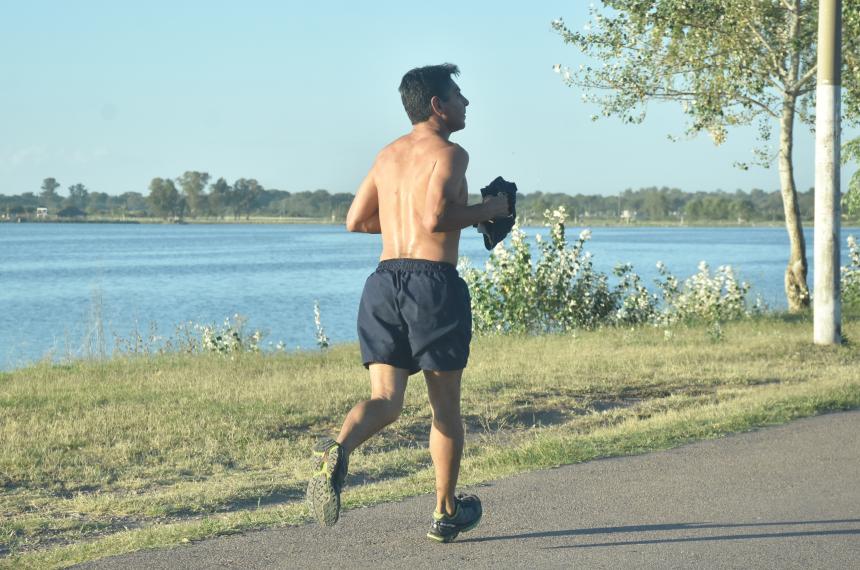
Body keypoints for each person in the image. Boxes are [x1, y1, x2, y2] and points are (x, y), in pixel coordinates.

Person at [305, 63, 510, 543]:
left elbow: (356, 221)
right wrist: (488, 212)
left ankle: (337, 450)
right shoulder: (451, 153)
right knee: (445, 409)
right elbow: (436, 217)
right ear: (438, 105)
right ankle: (444, 513)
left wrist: (411, 225)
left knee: (386, 400)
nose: (466, 102)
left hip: (383, 282)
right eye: (458, 94)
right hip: (433, 286)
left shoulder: (387, 155)